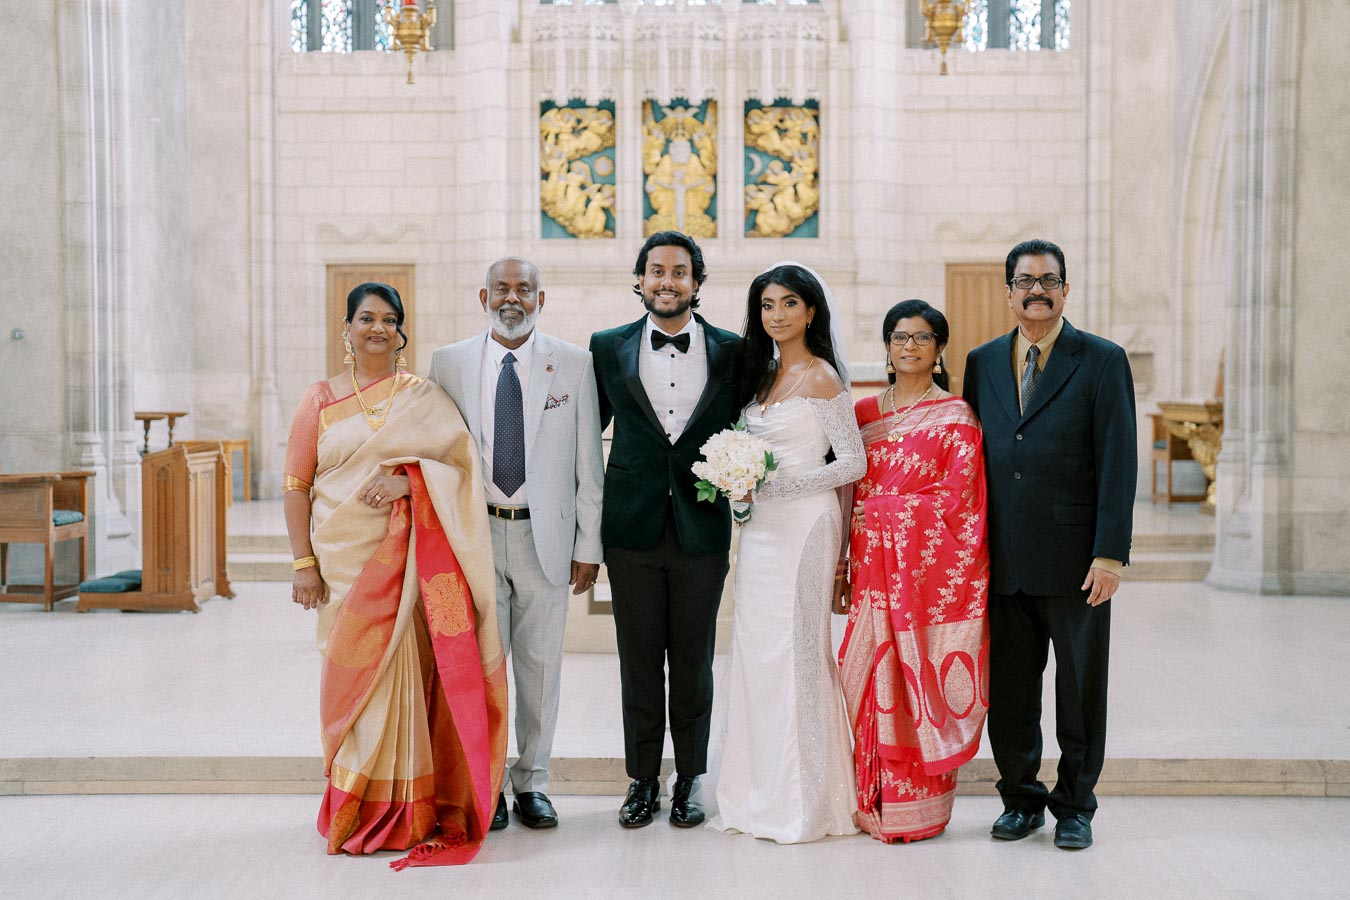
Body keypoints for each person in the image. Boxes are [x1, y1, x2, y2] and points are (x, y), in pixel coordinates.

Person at [283, 282, 508, 869]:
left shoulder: (424, 397)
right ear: (347, 327)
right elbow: (296, 486)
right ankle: (355, 803)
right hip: (342, 561)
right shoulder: (318, 399)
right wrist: (303, 562)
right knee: (353, 681)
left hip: (406, 562)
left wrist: (410, 481)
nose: (376, 328)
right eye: (365, 318)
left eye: (388, 319)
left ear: (402, 330)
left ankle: (406, 810)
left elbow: (459, 468)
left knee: (404, 677)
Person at [962, 239, 1137, 851]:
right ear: (1008, 291)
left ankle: (1075, 806)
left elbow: (1119, 460)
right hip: (1002, 559)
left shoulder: (1102, 360)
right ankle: (1020, 800)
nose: (1037, 290)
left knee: (1080, 690)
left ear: (1066, 289)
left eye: (1049, 280)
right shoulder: (981, 362)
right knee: (1011, 689)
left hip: (1076, 561)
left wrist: (1111, 553)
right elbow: (973, 459)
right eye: (1025, 280)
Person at [427, 258, 604, 832]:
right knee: (482, 666)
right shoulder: (449, 363)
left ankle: (533, 782)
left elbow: (587, 464)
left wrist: (589, 545)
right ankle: (486, 784)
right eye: (502, 288)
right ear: (483, 295)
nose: (512, 298)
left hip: (544, 536)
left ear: (540, 298)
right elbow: (434, 449)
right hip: (474, 534)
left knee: (541, 667)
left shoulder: (574, 364)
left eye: (523, 289)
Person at [588, 231, 741, 829]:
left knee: (695, 659)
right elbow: (581, 437)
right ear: (641, 279)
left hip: (702, 529)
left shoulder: (733, 350)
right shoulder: (606, 347)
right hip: (630, 528)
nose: (667, 281)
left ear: (697, 283)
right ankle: (642, 780)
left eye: (680, 271)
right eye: (656, 271)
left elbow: (753, 427)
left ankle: (691, 778)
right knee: (639, 658)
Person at [707, 263, 864, 844]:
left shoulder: (823, 377)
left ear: (811, 311)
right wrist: (738, 481)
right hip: (761, 533)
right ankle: (756, 792)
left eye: (788, 303)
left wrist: (778, 486)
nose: (776, 315)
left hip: (806, 525)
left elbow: (851, 462)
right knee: (756, 652)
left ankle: (807, 801)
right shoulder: (761, 377)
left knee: (798, 651)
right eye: (767, 305)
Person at [838, 299, 990, 844]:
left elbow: (961, 505)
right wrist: (843, 557)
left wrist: (885, 512)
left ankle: (918, 810)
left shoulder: (956, 418)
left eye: (922, 338)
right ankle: (868, 799)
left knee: (913, 681)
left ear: (939, 349)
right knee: (872, 677)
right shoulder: (863, 415)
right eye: (899, 337)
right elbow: (848, 492)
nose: (909, 346)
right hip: (871, 575)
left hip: (923, 582)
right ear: (885, 346)